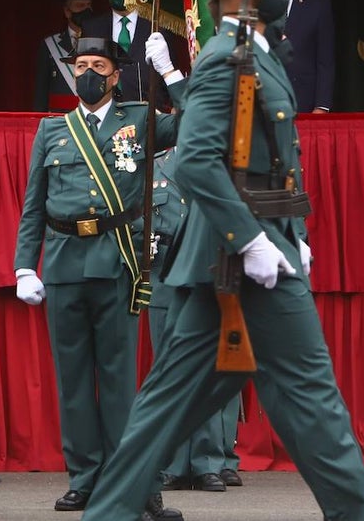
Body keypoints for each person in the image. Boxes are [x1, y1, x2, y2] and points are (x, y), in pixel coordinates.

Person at [78, 0, 364, 521]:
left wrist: (293, 235)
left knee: (183, 396)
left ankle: (110, 511)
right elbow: (197, 161)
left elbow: (274, 163)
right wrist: (255, 241)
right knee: (303, 379)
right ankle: (357, 507)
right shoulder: (225, 58)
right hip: (238, 252)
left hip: (254, 244)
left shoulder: (257, 52)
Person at [13, 34, 185, 519]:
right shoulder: (52, 129)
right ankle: (85, 479)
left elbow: (199, 122)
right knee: (72, 382)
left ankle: (132, 484)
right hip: (64, 262)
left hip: (117, 261)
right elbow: (34, 204)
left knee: (118, 383)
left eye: (97, 66)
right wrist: (25, 264)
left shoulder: (141, 119)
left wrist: (170, 73)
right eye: (81, 65)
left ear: (115, 74)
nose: (87, 73)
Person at [145, 148, 242, 494]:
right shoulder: (154, 168)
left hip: (208, 276)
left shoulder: (220, 164)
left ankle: (208, 463)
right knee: (169, 373)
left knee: (208, 370)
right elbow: (135, 217)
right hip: (164, 280)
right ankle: (172, 465)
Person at [80, 0, 166, 106]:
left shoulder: (157, 26)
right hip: (104, 110)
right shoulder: (92, 27)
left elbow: (167, 72)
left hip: (147, 111)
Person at [280, 0, 334, 113]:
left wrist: (321, 105)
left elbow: (325, 59)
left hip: (303, 100)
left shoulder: (318, 4)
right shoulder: (257, 2)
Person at [33, 0, 94, 112]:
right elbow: (41, 90)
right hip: (59, 117)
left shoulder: (101, 41)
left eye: (88, 5)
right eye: (80, 6)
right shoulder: (50, 44)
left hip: (93, 116)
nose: (86, 10)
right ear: (67, 11)